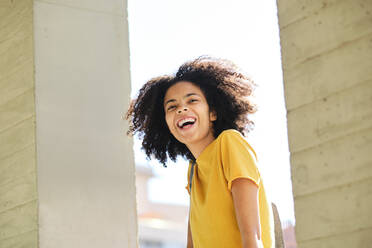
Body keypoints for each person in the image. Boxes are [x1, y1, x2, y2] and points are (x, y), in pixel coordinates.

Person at [126, 56, 274, 248]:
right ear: (166, 125)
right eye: (172, 106)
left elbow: (252, 235)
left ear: (213, 112)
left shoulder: (230, 143)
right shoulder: (193, 171)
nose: (182, 109)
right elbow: (193, 242)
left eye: (192, 100)